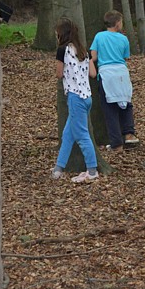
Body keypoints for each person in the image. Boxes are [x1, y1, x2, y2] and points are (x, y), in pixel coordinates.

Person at [50, 17, 99, 183]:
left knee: (82, 135)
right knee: (68, 134)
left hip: (75, 97)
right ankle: (59, 168)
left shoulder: (62, 50)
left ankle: (92, 171)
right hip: (87, 96)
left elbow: (58, 73)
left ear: (61, 34)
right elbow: (92, 74)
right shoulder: (83, 50)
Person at [89, 10, 139, 152]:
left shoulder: (99, 36)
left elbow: (94, 56)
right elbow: (125, 57)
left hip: (106, 74)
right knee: (126, 103)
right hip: (121, 73)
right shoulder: (123, 39)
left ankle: (116, 144)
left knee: (109, 109)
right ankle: (129, 133)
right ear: (117, 23)